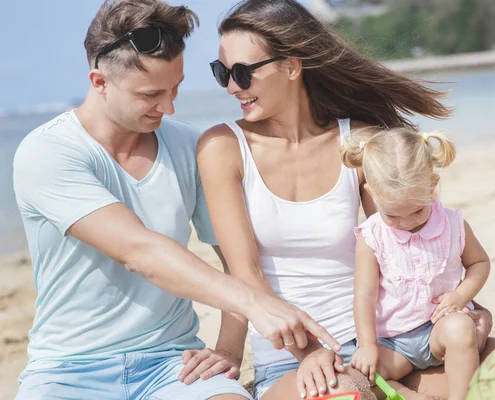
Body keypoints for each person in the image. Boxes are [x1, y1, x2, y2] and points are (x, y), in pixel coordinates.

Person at [12, 1, 340, 399]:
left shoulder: (187, 144)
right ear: (99, 82)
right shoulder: (48, 152)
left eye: (176, 88)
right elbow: (140, 251)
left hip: (174, 366)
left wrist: (230, 349)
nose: (168, 107)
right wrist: (257, 305)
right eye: (151, 94)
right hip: (69, 371)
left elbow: (233, 257)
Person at [188, 1, 495, 399]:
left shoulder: (359, 141)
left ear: (292, 66)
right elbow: (245, 273)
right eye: (222, 73)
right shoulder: (221, 147)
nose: (232, 87)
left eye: (243, 73)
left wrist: (467, 308)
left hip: (388, 342)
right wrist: (311, 351)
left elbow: (407, 239)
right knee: (350, 394)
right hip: (292, 358)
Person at [343, 128, 490, 400]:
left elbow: (479, 263)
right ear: (372, 193)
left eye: (417, 211)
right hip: (394, 342)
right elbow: (364, 295)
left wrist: (461, 295)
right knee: (355, 378)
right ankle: (407, 393)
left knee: (460, 329)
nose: (407, 223)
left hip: (439, 331)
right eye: (393, 215)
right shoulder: (372, 235)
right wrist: (367, 345)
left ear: (432, 185)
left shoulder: (453, 224)